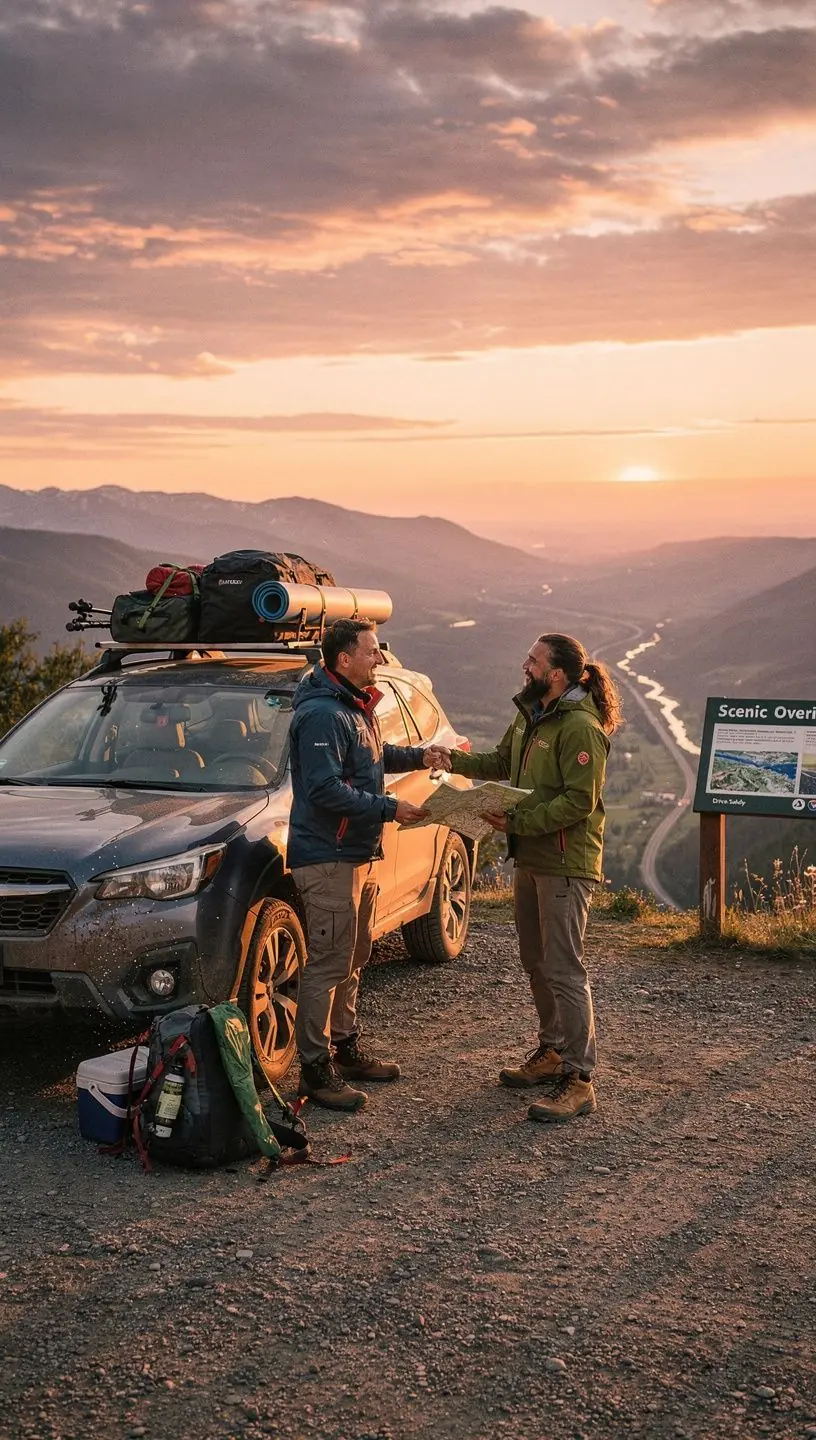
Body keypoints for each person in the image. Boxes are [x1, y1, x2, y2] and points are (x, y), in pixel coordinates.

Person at [436, 633, 622, 1124]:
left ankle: (580, 1079)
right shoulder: (531, 713)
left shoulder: (579, 727)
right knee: (536, 961)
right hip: (533, 859)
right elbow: (501, 762)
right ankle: (554, 1050)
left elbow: (579, 803)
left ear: (557, 673)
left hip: (564, 862)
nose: (525, 664)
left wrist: (518, 823)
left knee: (564, 968)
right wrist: (452, 760)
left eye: (534, 660)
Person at [287, 618, 446, 1112]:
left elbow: (372, 759)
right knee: (328, 962)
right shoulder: (322, 715)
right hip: (327, 856)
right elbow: (323, 789)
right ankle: (314, 1071)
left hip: (357, 853)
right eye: (372, 652)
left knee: (354, 955)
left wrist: (420, 757)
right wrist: (389, 808)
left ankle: (346, 1048)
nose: (379, 659)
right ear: (343, 660)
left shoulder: (354, 706)